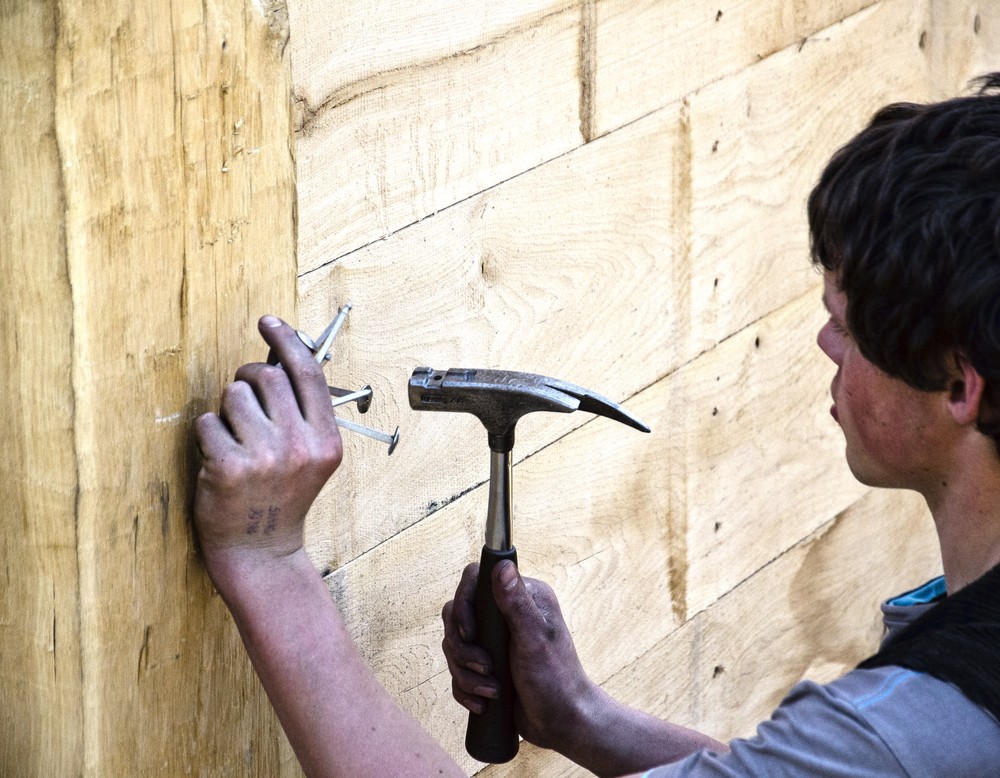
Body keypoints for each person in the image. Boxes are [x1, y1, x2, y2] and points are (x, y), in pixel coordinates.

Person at [192, 73, 1000, 777]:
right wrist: (580, 716)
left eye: (846, 327)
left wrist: (268, 562)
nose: (826, 342)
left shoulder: (911, 729)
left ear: (960, 384)